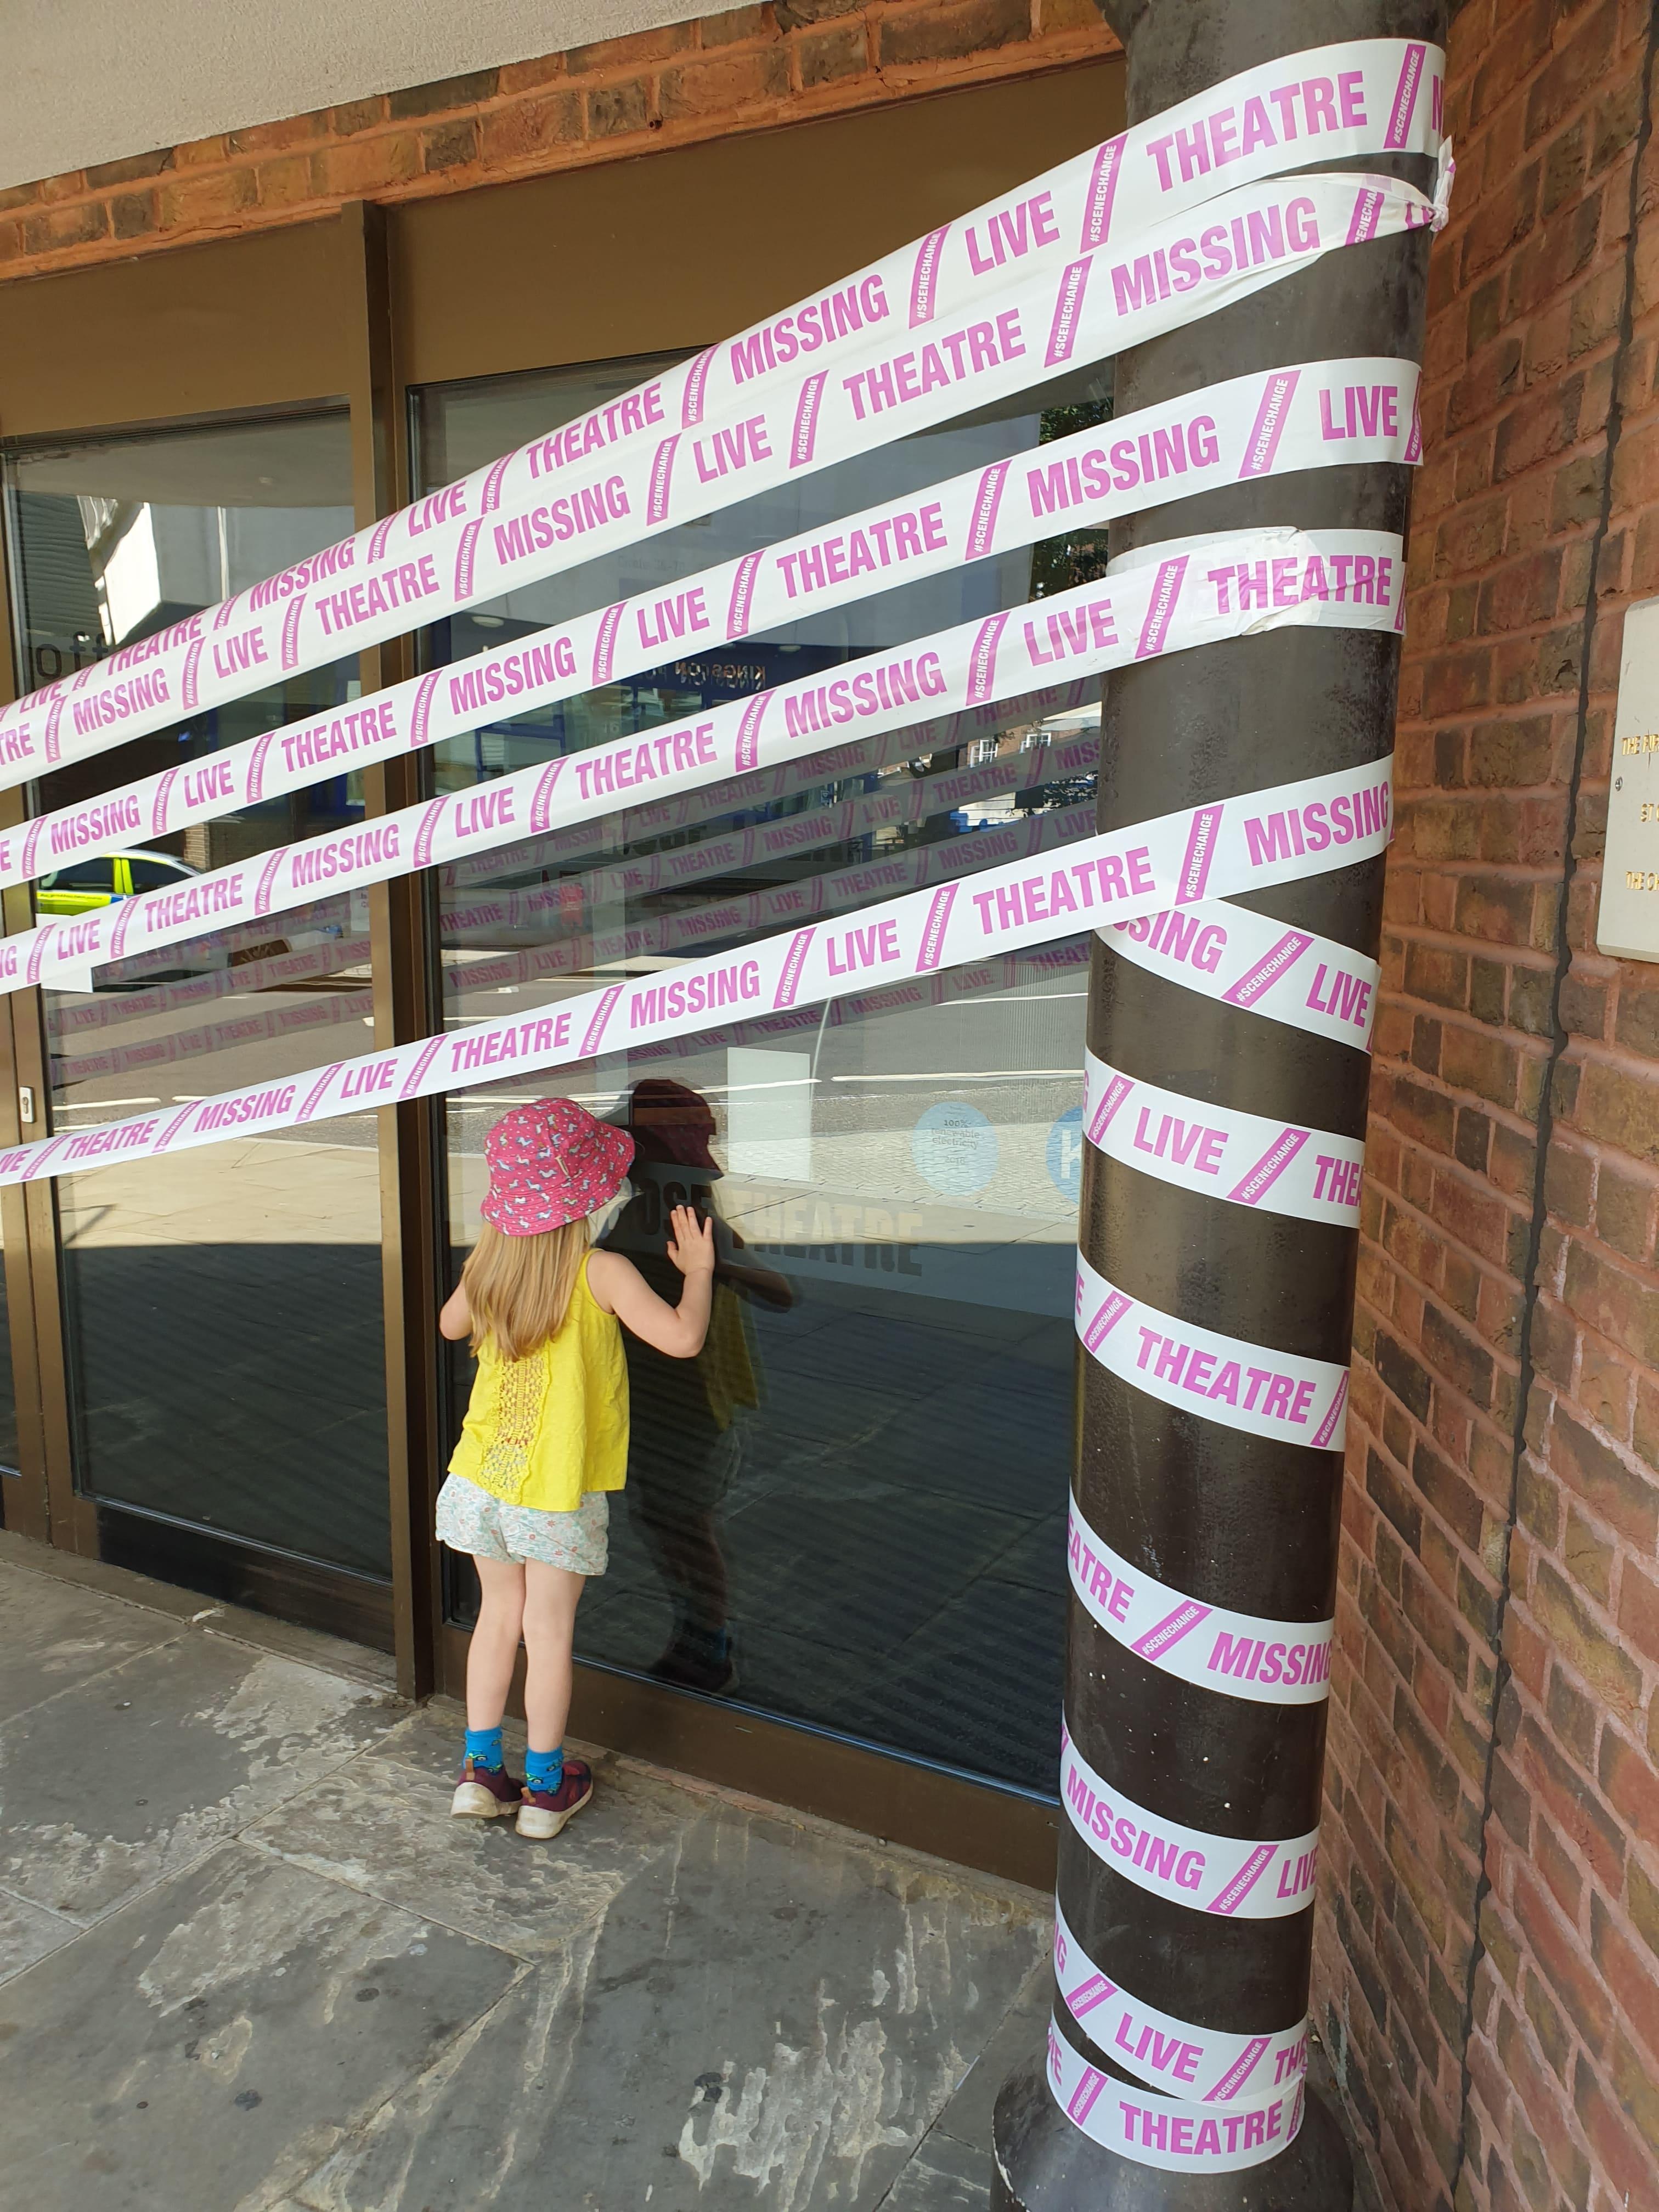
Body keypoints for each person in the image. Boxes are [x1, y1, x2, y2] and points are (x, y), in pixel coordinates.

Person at [436, 1095, 713, 1838]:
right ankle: (546, 1791)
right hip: (553, 1496)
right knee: (549, 1634)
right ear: (589, 1193)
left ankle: (479, 1775)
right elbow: (684, 1339)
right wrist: (700, 1272)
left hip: (479, 1483)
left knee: (498, 1620)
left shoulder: (492, 1261)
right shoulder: (603, 1271)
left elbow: (449, 1323)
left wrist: (484, 1268)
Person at [611, 1079, 792, 1695]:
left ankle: (709, 1638)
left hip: (692, 1405)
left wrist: (713, 1267)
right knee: (661, 1518)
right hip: (653, 1399)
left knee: (685, 1521)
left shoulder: (695, 1222)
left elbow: (779, 1292)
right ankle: (695, 1627)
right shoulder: (639, 1216)